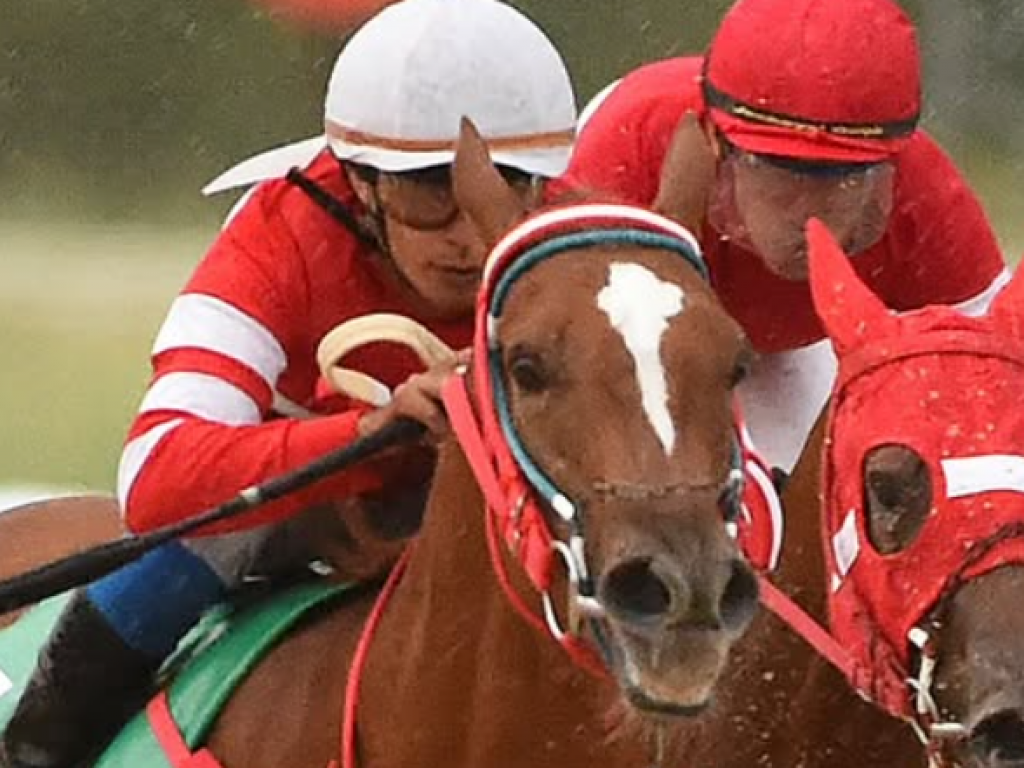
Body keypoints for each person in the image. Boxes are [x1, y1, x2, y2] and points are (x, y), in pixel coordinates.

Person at [0, 0, 577, 765]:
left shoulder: (578, 237)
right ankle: (37, 747)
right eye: (427, 190)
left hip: (499, 512)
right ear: (360, 183)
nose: (470, 233)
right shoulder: (278, 230)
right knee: (192, 549)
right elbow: (154, 479)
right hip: (298, 505)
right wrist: (367, 437)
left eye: (504, 186)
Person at [564, 0, 1011, 477]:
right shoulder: (630, 151)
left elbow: (990, 383)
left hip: (796, 345)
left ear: (894, 163)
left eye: (843, 176)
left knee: (809, 484)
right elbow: (563, 347)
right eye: (783, 172)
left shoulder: (929, 199)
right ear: (713, 143)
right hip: (652, 327)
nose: (810, 211)